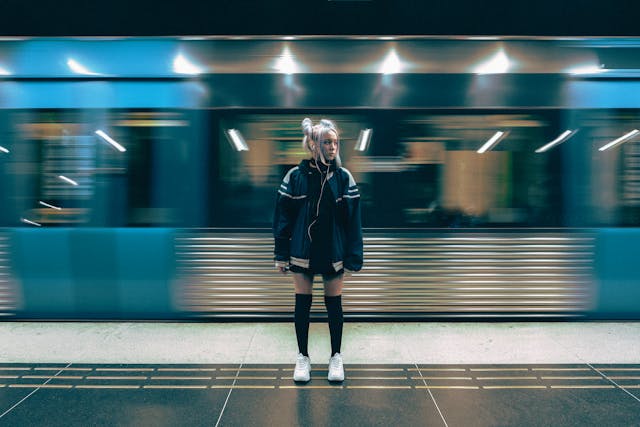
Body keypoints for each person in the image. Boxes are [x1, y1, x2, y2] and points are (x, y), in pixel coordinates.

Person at [273, 117, 363, 382]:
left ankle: (336, 356)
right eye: (327, 142)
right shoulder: (295, 177)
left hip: (334, 253)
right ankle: (303, 357)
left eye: (335, 142)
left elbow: (354, 222)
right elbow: (282, 219)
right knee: (303, 304)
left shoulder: (343, 178)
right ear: (313, 145)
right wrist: (280, 255)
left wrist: (354, 256)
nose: (332, 147)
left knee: (334, 305)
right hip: (302, 251)